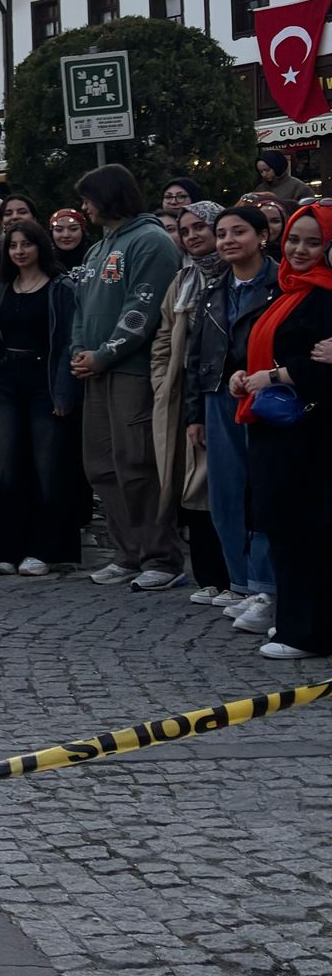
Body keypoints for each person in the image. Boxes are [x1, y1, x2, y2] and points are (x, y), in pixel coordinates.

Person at [69, 164, 183, 589]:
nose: (84, 208)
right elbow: (81, 305)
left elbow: (143, 309)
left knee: (137, 464)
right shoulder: (99, 248)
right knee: (99, 465)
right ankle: (128, 551)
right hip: (96, 371)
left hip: (131, 371)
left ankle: (162, 557)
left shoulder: (151, 241)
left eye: (88, 199)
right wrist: (80, 351)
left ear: (110, 196)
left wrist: (106, 354)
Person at [233, 205, 332, 660]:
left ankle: (307, 631)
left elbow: (321, 369)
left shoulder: (324, 296)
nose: (300, 249)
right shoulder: (288, 289)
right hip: (276, 426)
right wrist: (245, 377)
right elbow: (268, 351)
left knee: (304, 528)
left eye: (314, 242)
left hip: (310, 433)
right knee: (282, 526)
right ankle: (292, 621)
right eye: (295, 240)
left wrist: (271, 378)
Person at [187, 204, 278, 633]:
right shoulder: (214, 289)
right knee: (224, 494)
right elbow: (196, 355)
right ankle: (240, 583)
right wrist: (194, 413)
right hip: (218, 396)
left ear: (261, 236)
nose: (227, 241)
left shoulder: (280, 285)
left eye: (237, 232)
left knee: (262, 492)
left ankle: (267, 586)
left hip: (265, 395)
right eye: (221, 233)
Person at [0, 221, 80, 576]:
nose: (20, 250)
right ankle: (11, 548)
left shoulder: (61, 288)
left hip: (45, 379)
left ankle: (48, 549)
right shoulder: (2, 285)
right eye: (13, 245)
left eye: (27, 243)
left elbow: (69, 341)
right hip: (8, 379)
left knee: (48, 465)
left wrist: (64, 390)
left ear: (40, 246)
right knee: (9, 465)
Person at [151, 201, 227, 599]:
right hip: (184, 393)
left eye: (201, 226)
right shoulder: (183, 280)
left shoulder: (233, 274)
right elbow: (164, 336)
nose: (193, 234)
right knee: (192, 485)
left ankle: (238, 578)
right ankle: (208, 575)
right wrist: (163, 381)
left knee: (223, 484)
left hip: (224, 391)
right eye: (185, 229)